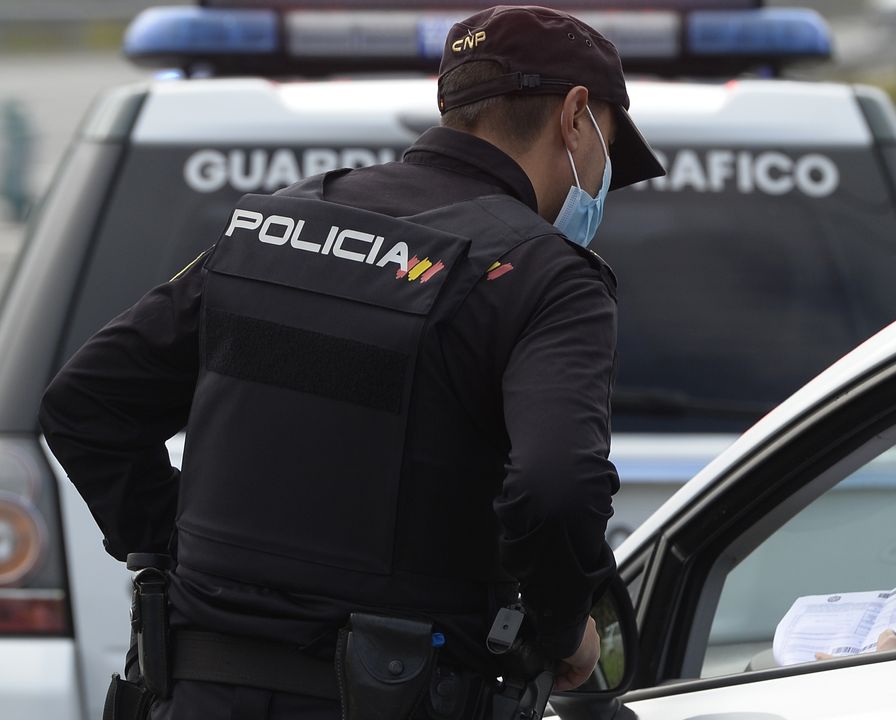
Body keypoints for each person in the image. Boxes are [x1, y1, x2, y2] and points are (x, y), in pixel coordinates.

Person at [37, 5, 665, 719]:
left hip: (197, 689)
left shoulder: (278, 224)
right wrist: (562, 633)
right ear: (576, 116)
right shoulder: (546, 275)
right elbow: (556, 488)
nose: (604, 176)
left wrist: (186, 553)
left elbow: (86, 404)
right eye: (610, 146)